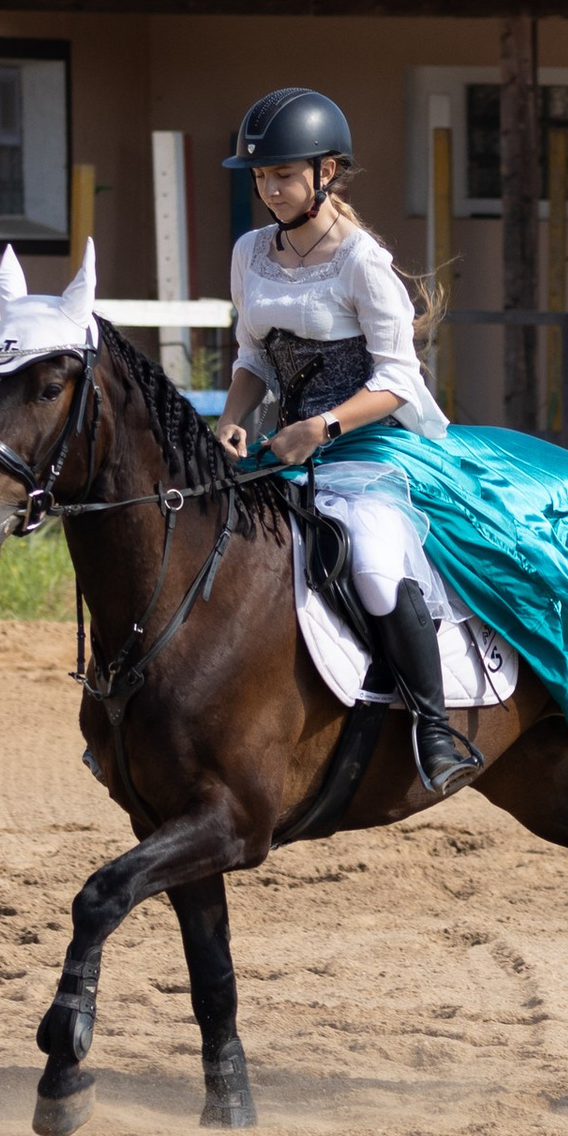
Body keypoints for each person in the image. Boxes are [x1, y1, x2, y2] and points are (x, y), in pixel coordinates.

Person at [213, 85, 482, 793]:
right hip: (285, 446)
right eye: (261, 177)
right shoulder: (249, 253)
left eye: (283, 174)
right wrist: (234, 417)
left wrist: (322, 426)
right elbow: (251, 358)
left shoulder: (363, 260)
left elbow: (398, 380)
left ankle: (434, 727)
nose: (269, 190)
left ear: (326, 172)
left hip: (368, 446)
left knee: (373, 559)